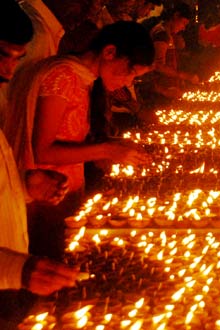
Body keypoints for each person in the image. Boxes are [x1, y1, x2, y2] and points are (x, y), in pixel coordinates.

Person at [3, 21, 154, 261]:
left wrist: (115, 146)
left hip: (61, 198)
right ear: (109, 52)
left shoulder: (82, 79)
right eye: (131, 72)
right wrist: (107, 150)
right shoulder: (63, 76)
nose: (127, 83)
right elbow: (43, 151)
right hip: (42, 198)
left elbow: (68, 136)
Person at [0, 0, 77, 296]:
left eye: (17, 59)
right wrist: (14, 269)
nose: (8, 72)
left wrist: (25, 184)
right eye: (2, 56)